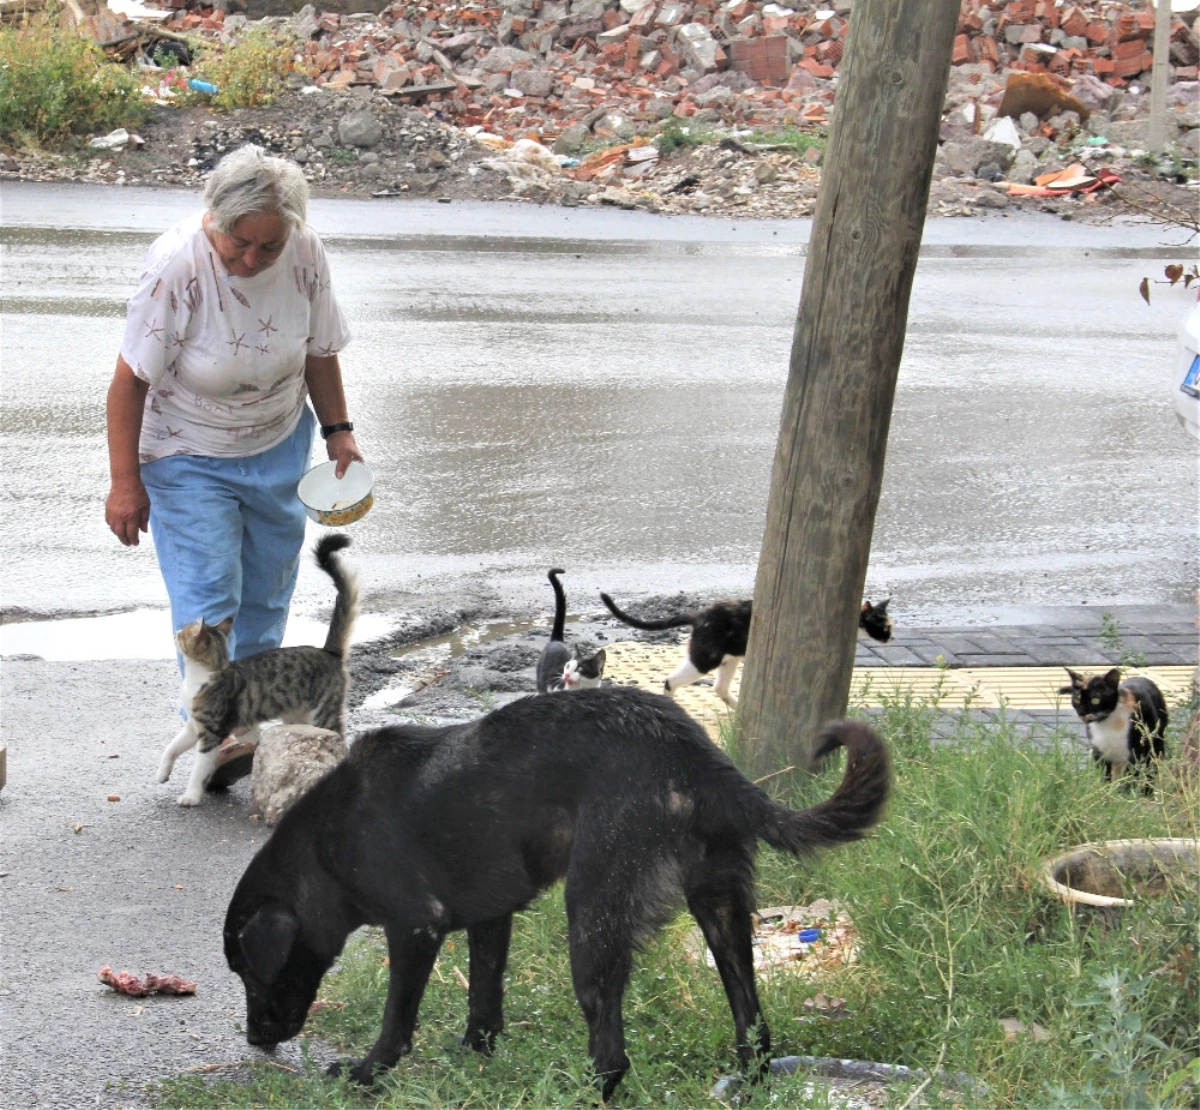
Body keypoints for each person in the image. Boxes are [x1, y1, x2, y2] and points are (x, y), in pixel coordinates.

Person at [105, 143, 364, 779]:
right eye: (238, 244)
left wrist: (339, 432)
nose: (251, 260)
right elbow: (130, 380)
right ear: (212, 221)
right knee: (209, 593)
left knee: (267, 591)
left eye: (267, 247)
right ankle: (219, 733)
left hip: (276, 442)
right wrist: (124, 482)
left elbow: (319, 351)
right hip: (186, 449)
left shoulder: (304, 252)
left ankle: (244, 722)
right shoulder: (177, 267)